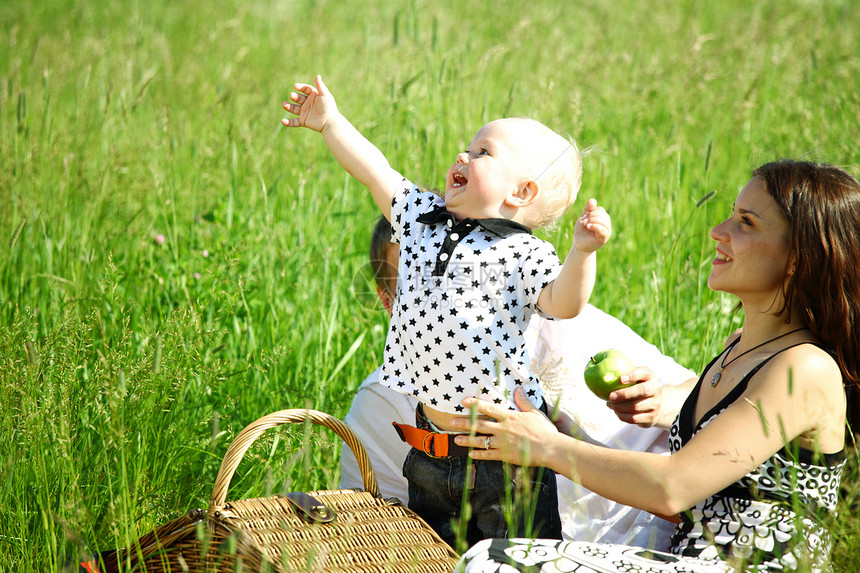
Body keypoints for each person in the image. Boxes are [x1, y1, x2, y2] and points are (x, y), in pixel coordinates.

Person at [451, 160, 860, 572]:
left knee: (493, 563)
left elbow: (672, 488)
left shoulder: (802, 368)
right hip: (685, 563)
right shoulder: (739, 349)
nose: (719, 231)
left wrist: (548, 448)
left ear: (799, 257)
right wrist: (565, 432)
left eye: (746, 222)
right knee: (494, 554)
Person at [283, 75, 612, 546]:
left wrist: (582, 254)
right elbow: (375, 170)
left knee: (518, 556)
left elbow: (565, 303)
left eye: (484, 154)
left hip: (504, 454)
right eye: (468, 148)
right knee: (440, 553)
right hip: (429, 446)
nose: (463, 156)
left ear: (521, 193)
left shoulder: (525, 253)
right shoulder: (421, 219)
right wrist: (331, 123)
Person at [340, 217, 699, 551]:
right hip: (548, 555)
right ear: (389, 302)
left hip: (675, 518)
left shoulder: (562, 319)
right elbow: (376, 533)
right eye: (418, 281)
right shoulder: (382, 403)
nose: (442, 291)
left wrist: (659, 401)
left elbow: (709, 397)